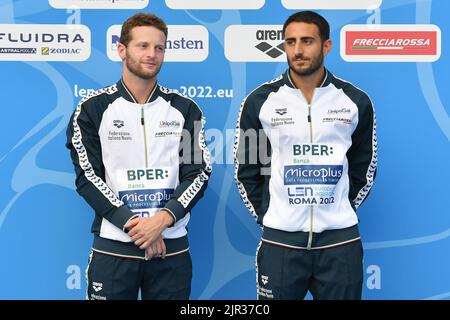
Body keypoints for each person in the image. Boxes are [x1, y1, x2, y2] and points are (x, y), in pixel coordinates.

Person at [66, 13, 211, 300]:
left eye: (159, 48)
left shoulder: (184, 109)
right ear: (122, 49)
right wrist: (136, 226)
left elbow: (198, 173)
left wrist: (162, 221)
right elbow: (88, 178)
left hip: (171, 251)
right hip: (115, 249)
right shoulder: (92, 109)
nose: (152, 54)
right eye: (142, 46)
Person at [234, 11, 377, 300]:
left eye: (307, 41)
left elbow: (365, 167)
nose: (298, 50)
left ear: (326, 46)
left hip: (340, 242)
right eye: (290, 42)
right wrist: (270, 216)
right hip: (280, 243)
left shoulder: (355, 101)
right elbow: (246, 170)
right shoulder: (259, 101)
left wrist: (338, 209)